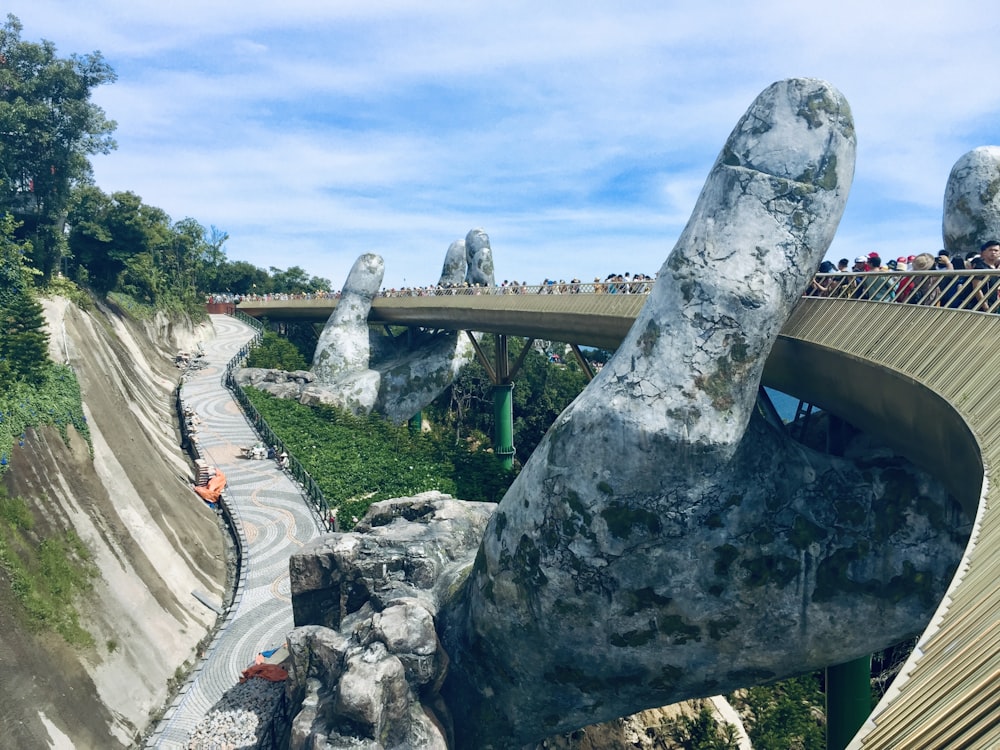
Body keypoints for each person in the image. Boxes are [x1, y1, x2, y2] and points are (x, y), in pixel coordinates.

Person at [970, 239, 1000, 311]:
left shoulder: (995, 268)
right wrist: (985, 306)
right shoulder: (980, 267)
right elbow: (977, 288)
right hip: (982, 308)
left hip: (994, 305)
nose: (993, 252)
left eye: (996, 250)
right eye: (990, 250)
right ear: (985, 252)